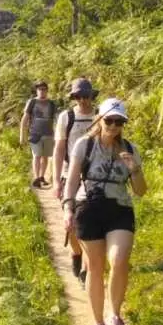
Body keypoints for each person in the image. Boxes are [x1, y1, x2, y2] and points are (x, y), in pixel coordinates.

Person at [61, 97, 147, 325]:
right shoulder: (84, 145)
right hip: (88, 207)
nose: (114, 126)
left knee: (119, 260)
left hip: (119, 208)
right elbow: (73, 179)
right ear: (100, 119)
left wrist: (135, 170)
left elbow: (141, 191)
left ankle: (115, 316)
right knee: (95, 268)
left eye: (119, 122)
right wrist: (68, 209)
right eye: (110, 120)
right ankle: (98, 323)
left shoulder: (130, 150)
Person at [53, 77, 99, 286]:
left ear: (91, 96)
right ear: (74, 97)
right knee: (70, 223)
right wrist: (56, 180)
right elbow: (59, 148)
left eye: (86, 96)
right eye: (78, 96)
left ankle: (87, 271)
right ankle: (76, 253)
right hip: (68, 173)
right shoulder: (66, 117)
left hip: (93, 176)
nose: (83, 100)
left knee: (89, 223)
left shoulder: (101, 116)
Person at [19, 81, 57, 188]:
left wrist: (57, 135)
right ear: (36, 90)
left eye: (44, 89)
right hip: (35, 134)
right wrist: (22, 135)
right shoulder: (32, 102)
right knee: (36, 155)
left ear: (47, 90)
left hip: (48, 133)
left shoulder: (51, 103)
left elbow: (54, 120)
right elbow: (25, 119)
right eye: (40, 89)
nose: (42, 91)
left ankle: (41, 177)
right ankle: (36, 177)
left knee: (45, 157)